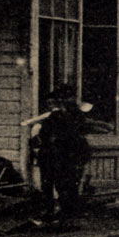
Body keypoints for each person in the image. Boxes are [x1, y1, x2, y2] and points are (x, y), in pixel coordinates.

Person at [35, 85, 91, 220]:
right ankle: (60, 212)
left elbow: (73, 136)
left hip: (65, 155)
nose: (64, 101)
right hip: (59, 155)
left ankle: (65, 214)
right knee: (60, 184)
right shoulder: (62, 115)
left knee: (64, 185)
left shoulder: (69, 115)